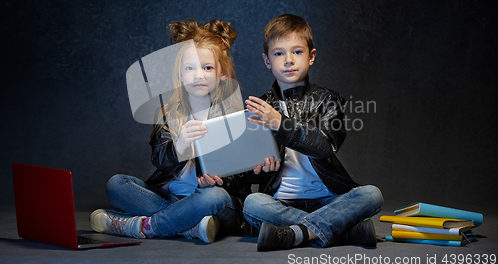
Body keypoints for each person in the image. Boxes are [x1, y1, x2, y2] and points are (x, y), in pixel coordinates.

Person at [90, 19, 251, 243]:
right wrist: (180, 146)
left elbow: (243, 176)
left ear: (222, 73)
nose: (198, 75)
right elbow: (159, 159)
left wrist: (217, 181)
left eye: (207, 68)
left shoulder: (233, 117)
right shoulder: (168, 113)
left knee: (213, 196)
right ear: (180, 74)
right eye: (190, 68)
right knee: (116, 184)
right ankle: (189, 226)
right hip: (171, 196)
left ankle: (144, 226)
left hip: (210, 200)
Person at [242, 14, 384, 251]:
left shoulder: (329, 100)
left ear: (312, 56)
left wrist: (280, 123)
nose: (288, 60)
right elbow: (249, 170)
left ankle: (295, 233)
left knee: (371, 194)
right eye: (279, 53)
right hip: (282, 200)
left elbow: (325, 146)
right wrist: (258, 169)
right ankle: (344, 231)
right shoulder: (259, 107)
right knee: (252, 203)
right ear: (267, 60)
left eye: (297, 52)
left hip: (328, 198)